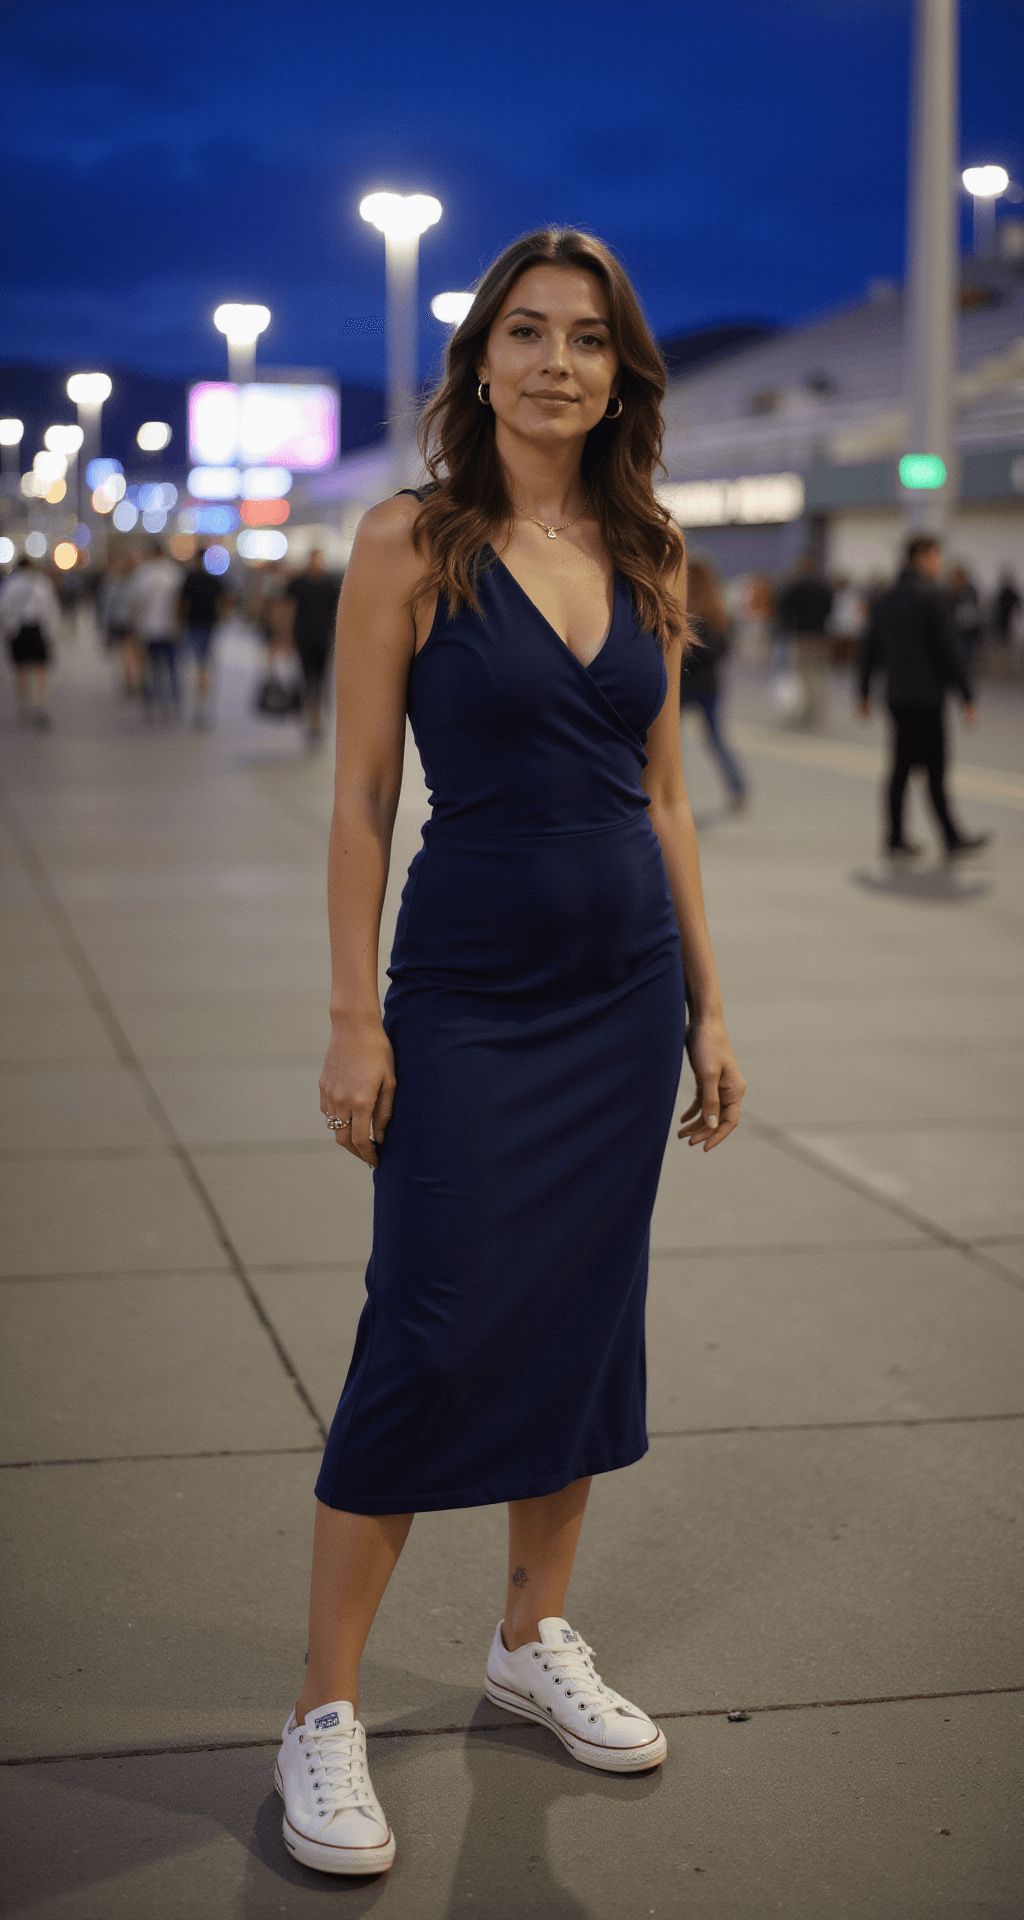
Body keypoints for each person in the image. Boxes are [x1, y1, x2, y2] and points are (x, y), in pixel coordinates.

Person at [275, 228, 745, 1879]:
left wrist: (705, 1000)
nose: (556, 361)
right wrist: (354, 1017)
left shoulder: (651, 549)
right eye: (527, 333)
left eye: (588, 339)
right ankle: (321, 1714)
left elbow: (667, 798)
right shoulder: (410, 539)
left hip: (619, 996)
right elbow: (353, 799)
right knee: (426, 1322)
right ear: (481, 360)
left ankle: (526, 1637)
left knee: (573, 1321)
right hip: (464, 997)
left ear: (622, 372)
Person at [858, 533, 990, 859]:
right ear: (921, 557)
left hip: (897, 696)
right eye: (935, 556)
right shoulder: (935, 597)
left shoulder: (886, 598)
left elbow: (868, 649)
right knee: (934, 771)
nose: (939, 563)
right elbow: (949, 650)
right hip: (928, 698)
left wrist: (862, 692)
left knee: (900, 768)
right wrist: (967, 695)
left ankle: (896, 837)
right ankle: (950, 838)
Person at [678, 555, 747, 809]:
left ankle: (668, 792)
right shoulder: (717, 612)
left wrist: (689, 651)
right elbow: (723, 650)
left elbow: (713, 650)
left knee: (672, 745)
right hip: (708, 685)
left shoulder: (690, 612)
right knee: (715, 740)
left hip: (687, 686)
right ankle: (737, 786)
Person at [0, 554, 62, 727]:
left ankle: (24, 702)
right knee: (41, 668)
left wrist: (7, 630)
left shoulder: (10, 584)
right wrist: (52, 633)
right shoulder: (42, 583)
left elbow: (3, 608)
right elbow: (50, 609)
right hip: (37, 630)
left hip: (18, 630)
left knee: (20, 669)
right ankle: (39, 703)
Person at [286, 548, 341, 744]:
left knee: (322, 679)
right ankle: (312, 717)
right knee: (308, 678)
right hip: (303, 638)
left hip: (323, 640)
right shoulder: (298, 583)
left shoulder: (329, 584)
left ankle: (317, 717)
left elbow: (338, 614)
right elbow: (286, 609)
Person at [124, 539, 184, 714]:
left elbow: (133, 602)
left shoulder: (143, 574)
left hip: (149, 629)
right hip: (170, 628)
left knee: (152, 667)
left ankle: (153, 701)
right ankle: (173, 701)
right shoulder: (174, 572)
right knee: (171, 667)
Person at [775, 554, 834, 728]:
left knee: (804, 675)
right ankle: (817, 710)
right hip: (821, 635)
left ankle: (806, 711)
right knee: (819, 674)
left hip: (802, 635)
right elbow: (830, 608)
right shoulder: (824, 586)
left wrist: (786, 627)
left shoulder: (797, 585)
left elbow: (783, 607)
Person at [179, 543, 225, 727]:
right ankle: (202, 700)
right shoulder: (213, 579)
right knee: (204, 665)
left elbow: (181, 602)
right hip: (208, 625)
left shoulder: (189, 578)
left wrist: (179, 621)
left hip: (194, 625)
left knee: (197, 666)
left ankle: (199, 700)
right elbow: (224, 600)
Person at [947, 562, 983, 675]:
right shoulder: (950, 592)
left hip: (968, 631)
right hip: (956, 631)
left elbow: (972, 612)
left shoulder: (970, 591)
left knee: (966, 657)